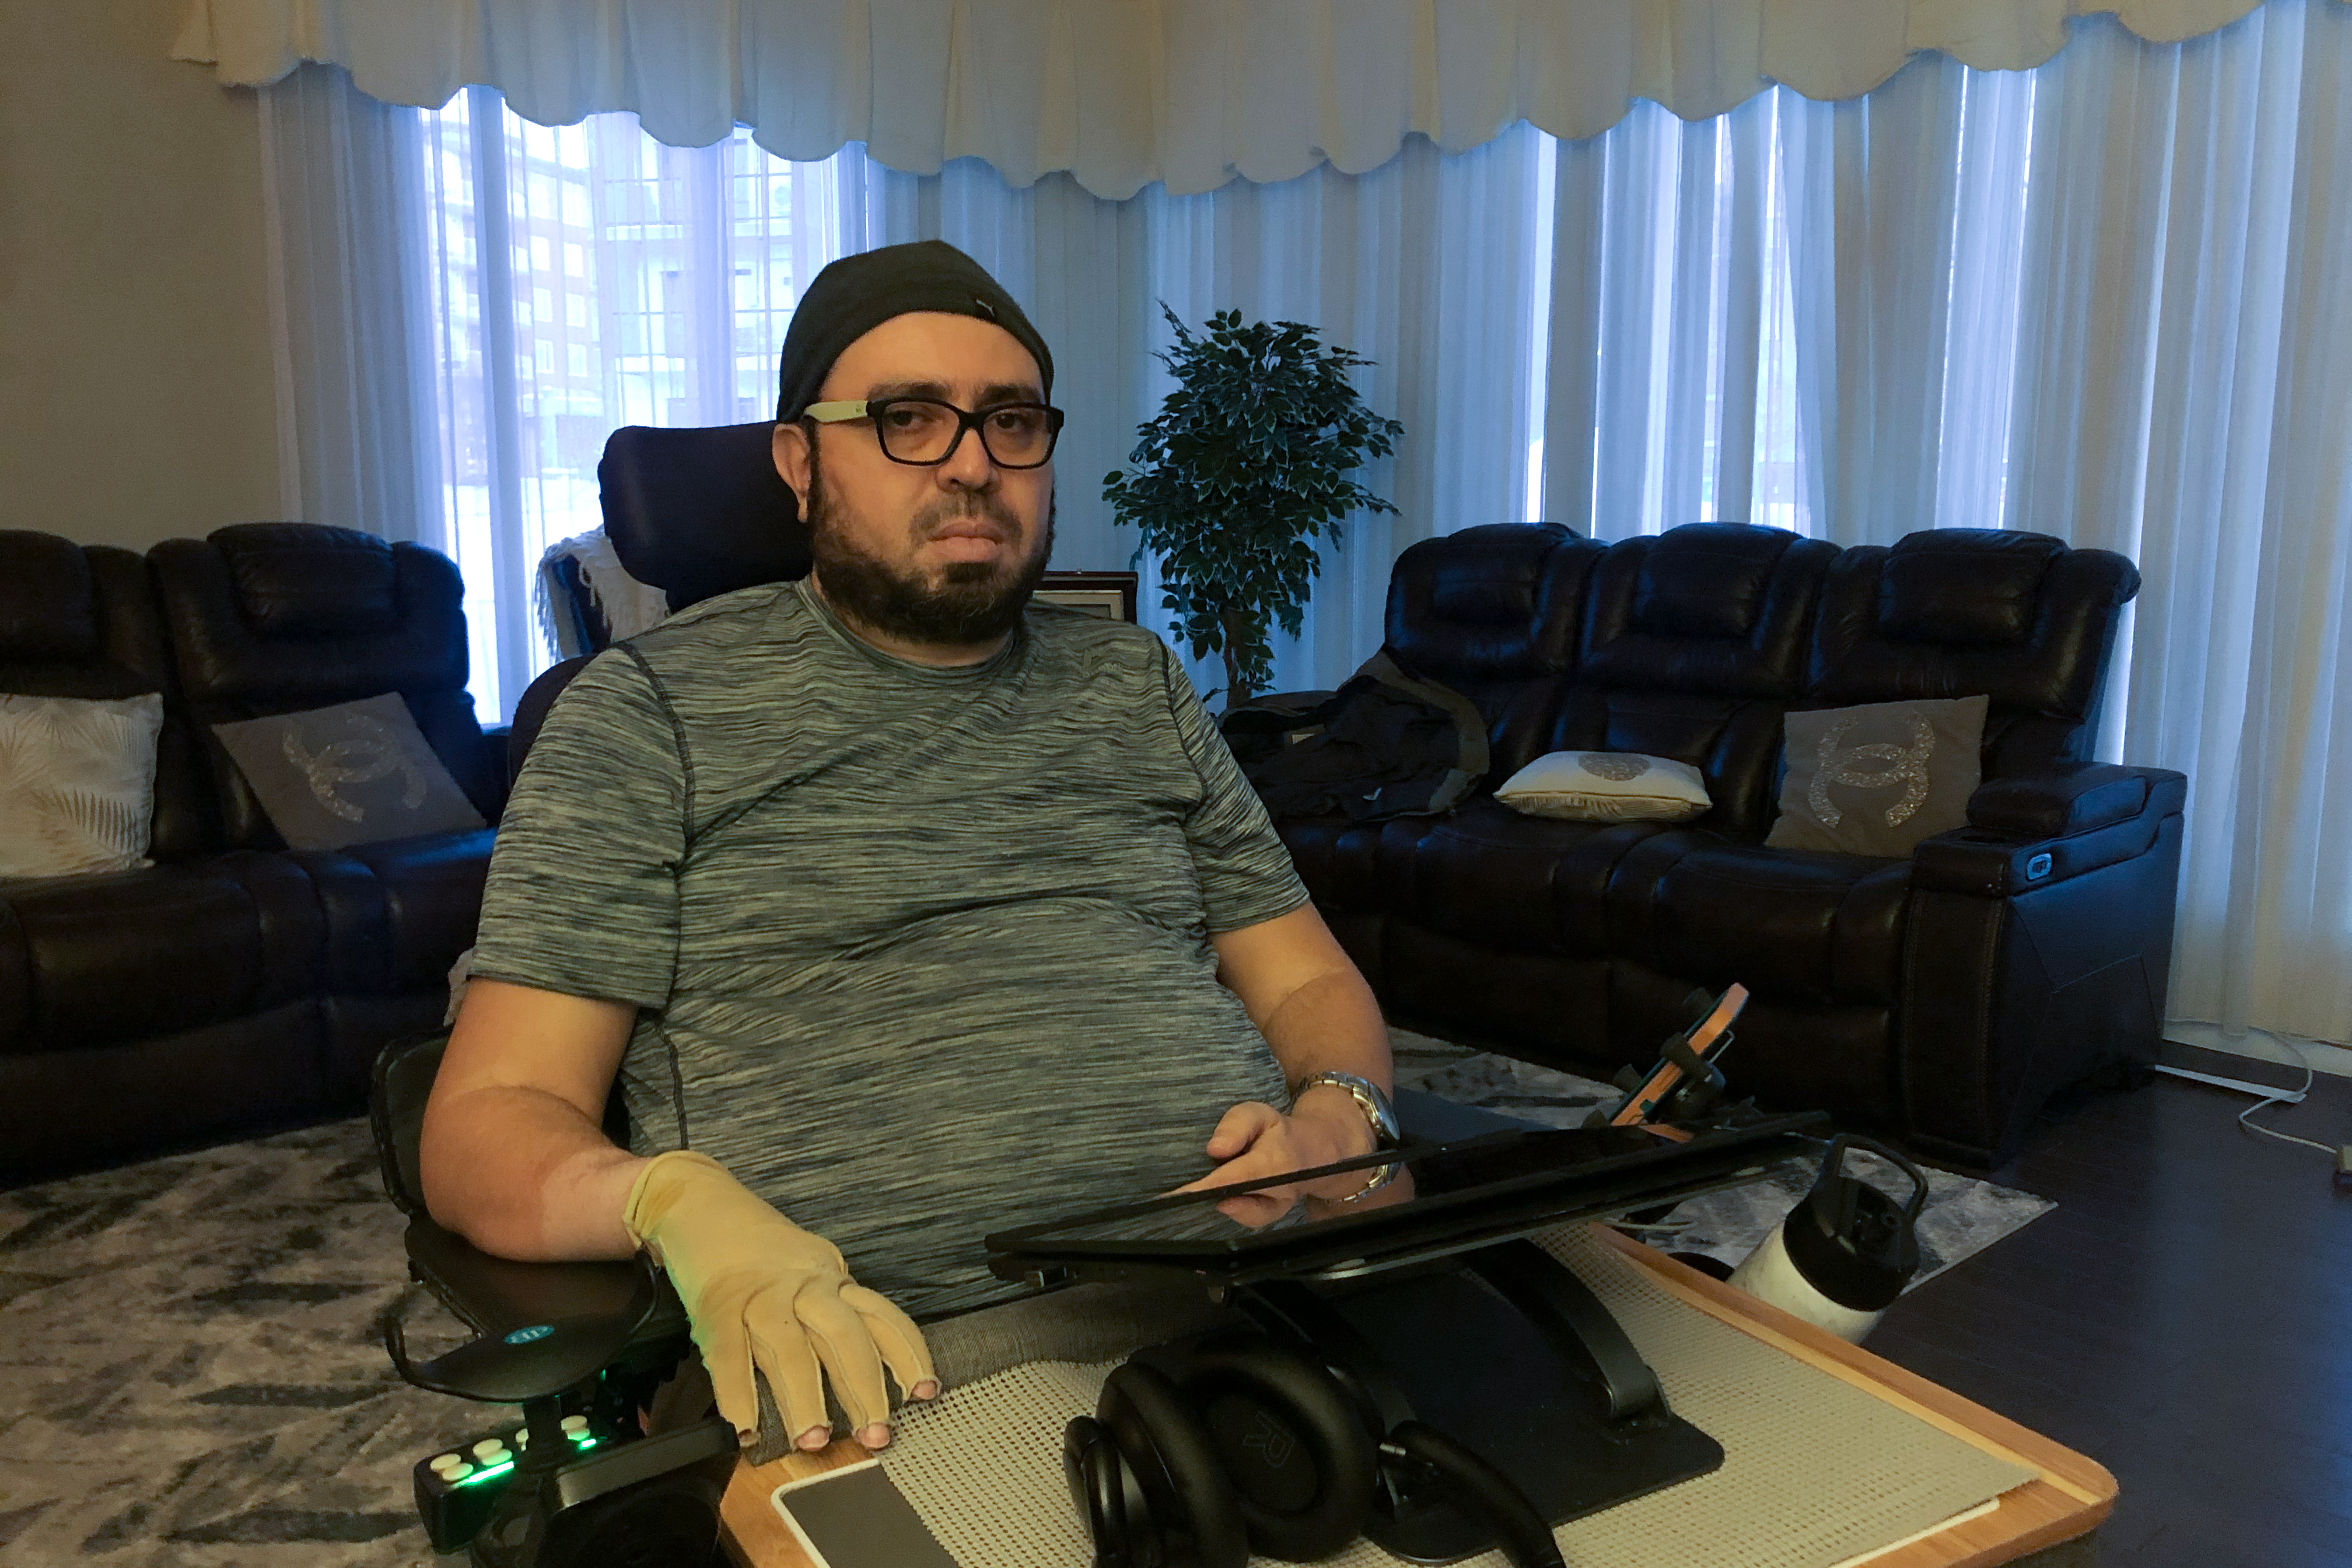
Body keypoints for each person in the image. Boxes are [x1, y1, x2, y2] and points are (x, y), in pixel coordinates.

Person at [418, 239, 1394, 1465]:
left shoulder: (1135, 682)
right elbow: (487, 1122)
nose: (975, 464)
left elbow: (1304, 980)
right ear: (799, 461)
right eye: (908, 420)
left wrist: (1338, 1111)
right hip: (893, 1368)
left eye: (1011, 421)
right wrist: (668, 1201)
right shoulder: (648, 714)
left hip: (1260, 1298)